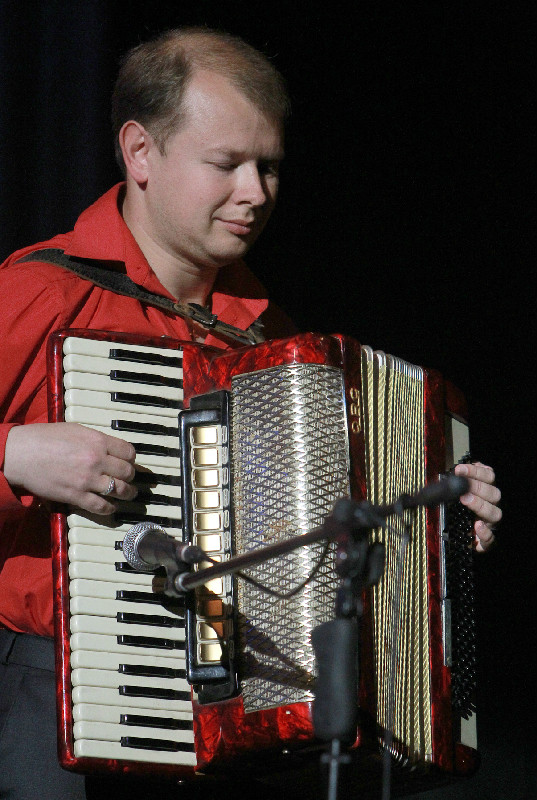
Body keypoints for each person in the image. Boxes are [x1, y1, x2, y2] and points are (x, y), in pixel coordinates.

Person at [0, 27, 501, 800]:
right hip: (55, 697)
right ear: (139, 153)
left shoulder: (275, 348)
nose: (256, 192)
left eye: (267, 166)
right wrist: (12, 456)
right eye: (225, 163)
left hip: (236, 727)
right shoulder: (40, 293)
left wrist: (437, 531)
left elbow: (314, 558)